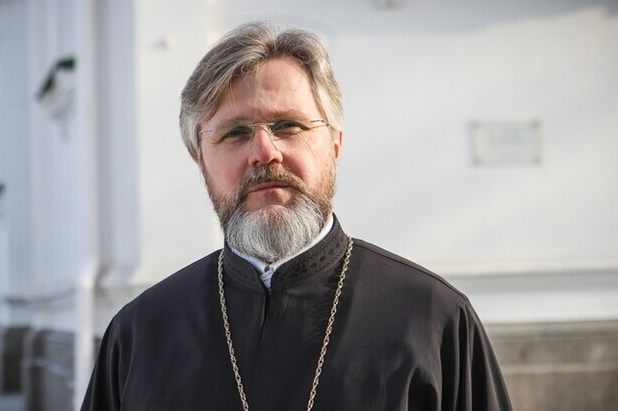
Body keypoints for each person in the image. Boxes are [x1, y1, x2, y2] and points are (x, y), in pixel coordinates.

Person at [81, 22, 512, 411]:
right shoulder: (140, 334)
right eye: (235, 132)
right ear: (199, 160)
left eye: (288, 125)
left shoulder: (434, 321)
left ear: (335, 145)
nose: (264, 152)